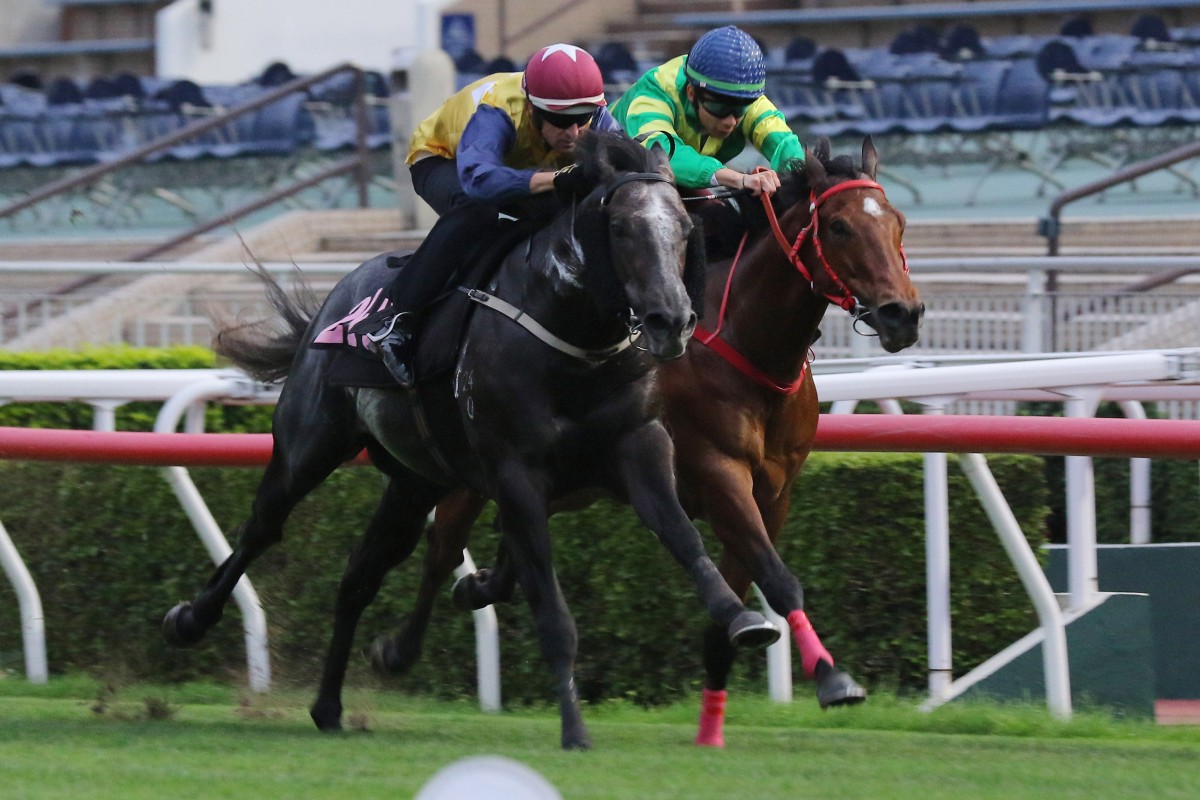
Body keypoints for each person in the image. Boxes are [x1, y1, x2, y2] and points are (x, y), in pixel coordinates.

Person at [362, 43, 620, 386]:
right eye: (559, 120)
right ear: (531, 107)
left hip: (521, 167)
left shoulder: (598, 117)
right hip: (445, 162)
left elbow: (625, 168)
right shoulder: (498, 109)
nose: (572, 132)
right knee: (478, 211)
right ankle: (396, 319)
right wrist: (558, 179)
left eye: (581, 119)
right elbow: (478, 181)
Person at [610, 25, 804, 198]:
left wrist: (802, 176)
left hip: (671, 179)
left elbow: (782, 140)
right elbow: (661, 154)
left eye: (740, 110)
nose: (730, 121)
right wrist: (737, 178)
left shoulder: (741, 94)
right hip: (612, 174)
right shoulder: (654, 92)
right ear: (692, 93)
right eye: (719, 108)